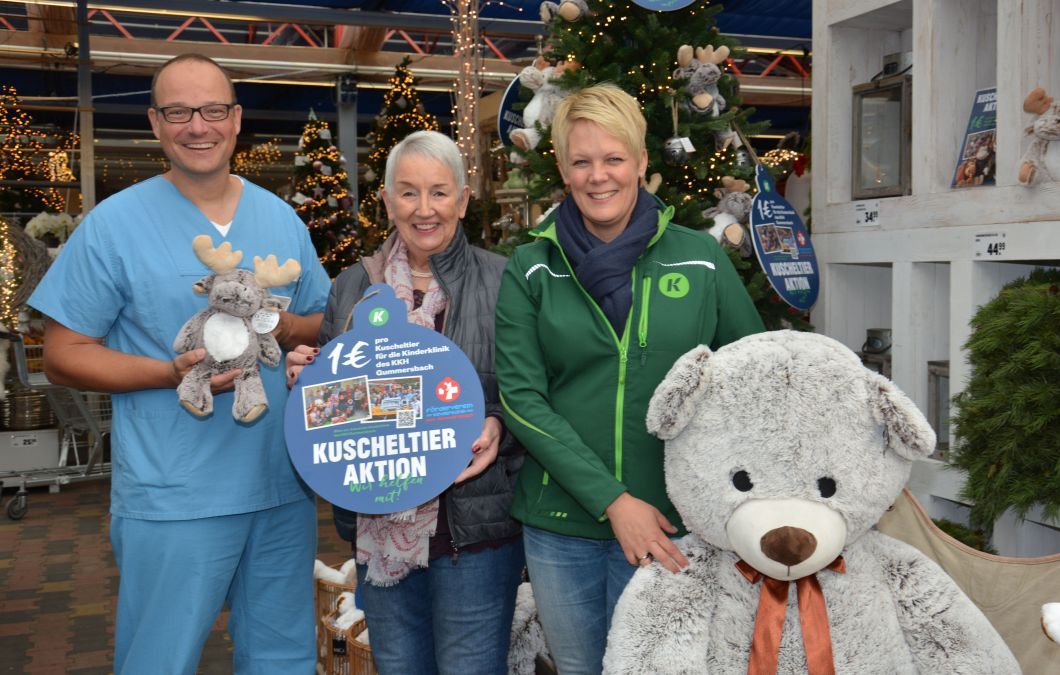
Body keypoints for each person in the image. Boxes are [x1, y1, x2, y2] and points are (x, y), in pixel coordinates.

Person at [28, 54, 331, 673]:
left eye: (214, 109)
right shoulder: (113, 225)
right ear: (155, 122)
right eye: (179, 112)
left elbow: (319, 320)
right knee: (158, 659)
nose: (199, 125)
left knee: (286, 659)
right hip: (177, 494)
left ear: (237, 119)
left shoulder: (280, 218)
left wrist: (278, 328)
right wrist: (168, 372)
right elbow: (62, 354)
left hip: (282, 486)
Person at [494, 83, 765, 674]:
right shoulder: (532, 266)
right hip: (560, 524)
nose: (599, 177)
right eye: (582, 161)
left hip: (673, 524)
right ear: (563, 170)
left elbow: (751, 380)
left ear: (642, 162)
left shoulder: (699, 259)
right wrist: (614, 501)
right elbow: (521, 398)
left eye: (614, 158)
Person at [286, 130, 525, 675]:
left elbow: (532, 389)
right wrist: (309, 385)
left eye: (439, 193)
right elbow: (338, 404)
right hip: (378, 532)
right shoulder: (350, 287)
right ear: (388, 200)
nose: (424, 209)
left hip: (474, 534)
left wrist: (499, 423)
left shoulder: (503, 280)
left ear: (463, 201)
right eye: (409, 192)